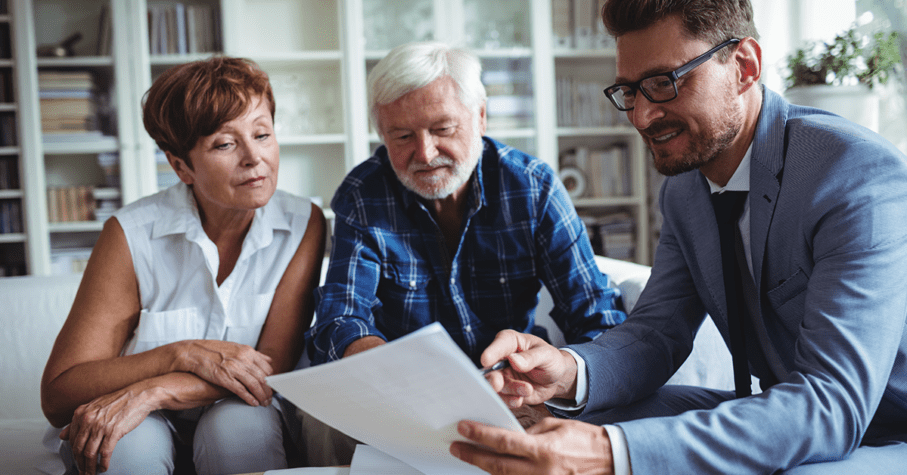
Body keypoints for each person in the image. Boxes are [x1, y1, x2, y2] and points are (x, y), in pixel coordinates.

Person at [449, 1, 907, 474]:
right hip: (784, 408)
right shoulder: (685, 191)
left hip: (883, 423)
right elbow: (656, 333)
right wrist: (567, 372)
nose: (643, 117)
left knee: (611, 448)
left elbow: (833, 404)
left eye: (665, 83)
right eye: (629, 91)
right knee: (549, 426)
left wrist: (609, 453)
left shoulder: (852, 173)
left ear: (744, 66)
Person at [40, 57, 326, 475]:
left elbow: (269, 368)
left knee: (238, 427)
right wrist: (181, 355)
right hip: (136, 419)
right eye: (225, 144)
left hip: (237, 405)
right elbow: (60, 394)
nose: (254, 158)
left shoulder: (304, 224)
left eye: (262, 134)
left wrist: (155, 390)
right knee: (127, 448)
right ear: (180, 166)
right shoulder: (130, 234)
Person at [307, 41, 625, 365]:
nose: (426, 153)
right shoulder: (362, 195)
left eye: (442, 129)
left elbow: (597, 317)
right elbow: (340, 319)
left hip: (512, 382)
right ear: (382, 135)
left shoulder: (533, 188)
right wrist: (381, 361)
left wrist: (559, 377)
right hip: (404, 385)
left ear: (481, 117)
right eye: (402, 136)